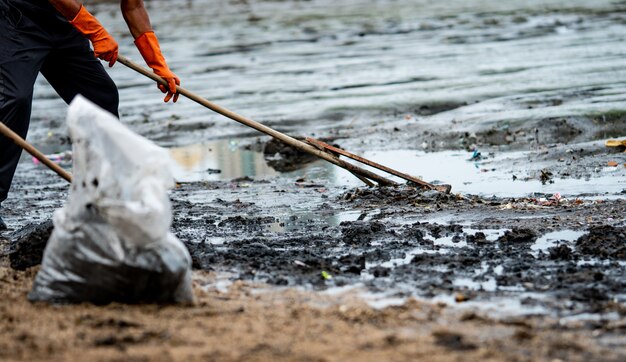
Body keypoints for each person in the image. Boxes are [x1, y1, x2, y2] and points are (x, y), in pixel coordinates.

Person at [0, 0, 180, 231]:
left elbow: (133, 6)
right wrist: (95, 31)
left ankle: (102, 193)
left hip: (65, 24)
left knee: (101, 99)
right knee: (14, 99)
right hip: (16, 20)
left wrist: (157, 63)